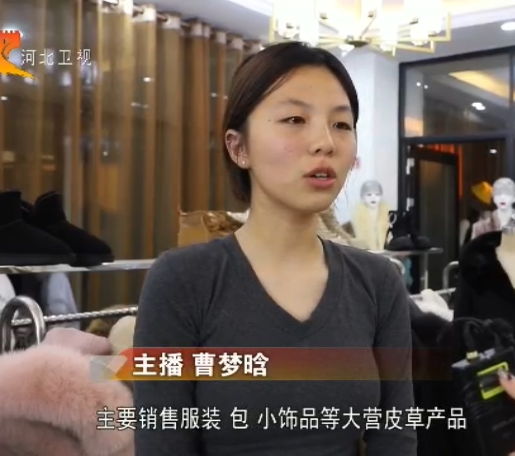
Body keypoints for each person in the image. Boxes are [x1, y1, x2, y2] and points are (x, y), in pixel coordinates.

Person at [132, 42, 416, 455]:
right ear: (238, 148)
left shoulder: (378, 282)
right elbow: (163, 442)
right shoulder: (183, 280)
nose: (325, 142)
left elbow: (396, 435)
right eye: (295, 119)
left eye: (341, 124)